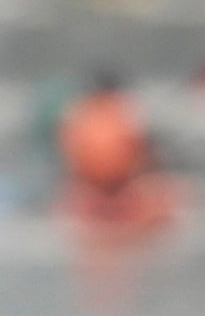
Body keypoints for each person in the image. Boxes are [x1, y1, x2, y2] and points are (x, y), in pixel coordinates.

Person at [55, 65, 178, 233]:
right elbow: (147, 149)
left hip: (99, 187)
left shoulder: (79, 112)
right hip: (111, 186)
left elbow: (68, 155)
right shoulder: (127, 109)